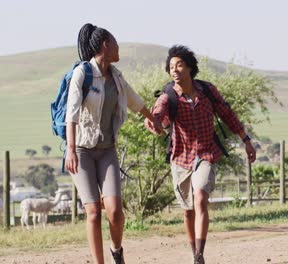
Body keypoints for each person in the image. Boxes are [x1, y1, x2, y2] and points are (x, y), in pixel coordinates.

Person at [145, 45, 256, 264]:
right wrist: (154, 122)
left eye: (179, 65)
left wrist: (246, 140)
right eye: (170, 67)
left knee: (200, 198)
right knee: (187, 211)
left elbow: (228, 114)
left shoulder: (207, 91)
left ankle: (199, 256)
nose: (174, 70)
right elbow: (158, 113)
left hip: (206, 153)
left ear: (189, 68)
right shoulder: (169, 96)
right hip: (180, 158)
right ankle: (193, 249)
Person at [65, 23, 162, 264]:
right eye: (116, 43)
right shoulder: (83, 74)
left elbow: (135, 101)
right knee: (94, 213)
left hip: (107, 150)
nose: (119, 48)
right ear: (106, 45)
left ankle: (116, 251)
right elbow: (71, 114)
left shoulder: (116, 77)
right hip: (82, 151)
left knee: (116, 212)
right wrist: (70, 149)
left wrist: (153, 121)